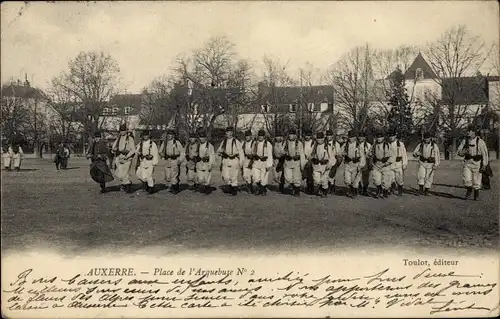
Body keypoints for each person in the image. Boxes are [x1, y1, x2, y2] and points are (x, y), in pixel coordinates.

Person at [457, 125, 489, 200]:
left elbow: (485, 154)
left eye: (469, 131)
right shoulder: (465, 141)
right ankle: (469, 190)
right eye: (467, 131)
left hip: (477, 163)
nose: (467, 132)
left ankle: (476, 194)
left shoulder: (480, 141)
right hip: (467, 163)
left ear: (473, 132)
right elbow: (459, 151)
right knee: (466, 179)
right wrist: (462, 152)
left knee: (476, 180)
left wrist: (484, 164)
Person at [129, 130, 159, 194]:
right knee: (139, 174)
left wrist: (154, 163)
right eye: (144, 135)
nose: (145, 136)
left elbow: (155, 153)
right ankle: (146, 184)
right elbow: (136, 151)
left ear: (149, 136)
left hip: (149, 161)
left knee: (149, 175)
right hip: (142, 161)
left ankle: (150, 189)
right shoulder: (141, 143)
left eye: (146, 135)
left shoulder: (152, 144)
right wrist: (138, 152)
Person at [217, 126, 244, 196]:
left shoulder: (236, 141)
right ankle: (230, 187)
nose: (229, 133)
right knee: (225, 176)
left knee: (233, 176)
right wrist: (220, 151)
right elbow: (219, 151)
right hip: (226, 160)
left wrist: (241, 161)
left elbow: (241, 152)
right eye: (228, 132)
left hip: (234, 159)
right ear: (226, 133)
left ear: (232, 133)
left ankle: (234, 190)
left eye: (231, 132)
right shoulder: (224, 141)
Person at [159, 129, 185, 194]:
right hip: (168, 160)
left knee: (174, 175)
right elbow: (160, 151)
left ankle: (175, 188)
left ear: (173, 136)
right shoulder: (165, 142)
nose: (169, 136)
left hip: (175, 160)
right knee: (167, 176)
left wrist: (180, 160)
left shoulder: (177, 143)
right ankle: (173, 185)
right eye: (168, 134)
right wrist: (163, 155)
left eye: (171, 135)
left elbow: (182, 152)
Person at [310, 131, 335, 197]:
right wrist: (311, 157)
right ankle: (320, 189)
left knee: (324, 180)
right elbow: (311, 155)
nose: (319, 140)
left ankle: (325, 191)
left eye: (321, 138)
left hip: (325, 166)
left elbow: (332, 157)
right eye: (318, 138)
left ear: (323, 138)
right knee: (316, 180)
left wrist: (330, 164)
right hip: (316, 165)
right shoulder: (314, 146)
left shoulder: (327, 146)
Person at [371, 131, 396, 198]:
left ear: (383, 138)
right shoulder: (373, 145)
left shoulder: (387, 145)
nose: (379, 139)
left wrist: (387, 162)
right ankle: (379, 189)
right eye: (377, 137)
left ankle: (385, 191)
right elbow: (369, 154)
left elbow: (393, 156)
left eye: (380, 137)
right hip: (376, 164)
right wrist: (371, 156)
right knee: (376, 179)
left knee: (386, 180)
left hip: (385, 165)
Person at [112, 124, 136, 193]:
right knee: (119, 174)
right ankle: (126, 184)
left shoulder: (129, 138)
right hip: (119, 157)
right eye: (121, 130)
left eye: (124, 130)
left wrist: (127, 156)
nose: (122, 132)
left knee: (125, 173)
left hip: (127, 158)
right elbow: (114, 147)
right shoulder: (118, 138)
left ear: (126, 131)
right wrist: (114, 149)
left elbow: (133, 150)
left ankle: (128, 187)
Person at [343, 130, 366, 198]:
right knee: (347, 180)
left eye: (352, 137)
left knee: (354, 180)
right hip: (348, 163)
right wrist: (343, 154)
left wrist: (361, 165)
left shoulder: (358, 145)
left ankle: (354, 191)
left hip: (355, 164)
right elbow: (340, 152)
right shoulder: (346, 144)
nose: (350, 138)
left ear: (355, 137)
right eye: (349, 137)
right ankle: (350, 189)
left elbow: (362, 156)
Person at [283, 128, 306, 196]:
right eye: (290, 134)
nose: (291, 136)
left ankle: (297, 190)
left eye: (292, 134)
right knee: (288, 177)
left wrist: (302, 165)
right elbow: (282, 151)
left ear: (295, 135)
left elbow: (302, 154)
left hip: (296, 162)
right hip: (288, 162)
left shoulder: (299, 143)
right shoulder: (286, 142)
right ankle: (292, 186)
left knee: (296, 177)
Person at [251, 129, 273, 195]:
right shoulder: (255, 143)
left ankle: (262, 190)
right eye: (259, 135)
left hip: (264, 162)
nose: (260, 137)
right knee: (255, 177)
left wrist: (269, 164)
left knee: (263, 178)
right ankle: (262, 189)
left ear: (264, 136)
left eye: (262, 136)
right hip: (256, 162)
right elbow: (252, 152)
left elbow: (270, 155)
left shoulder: (267, 144)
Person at [389, 131, 408, 196]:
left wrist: (404, 163)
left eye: (392, 136)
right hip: (390, 164)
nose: (391, 138)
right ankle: (392, 187)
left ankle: (400, 190)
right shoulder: (388, 144)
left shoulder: (400, 144)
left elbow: (404, 154)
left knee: (399, 178)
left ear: (395, 136)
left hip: (398, 163)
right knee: (391, 178)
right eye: (390, 136)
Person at [326, 130, 343, 194]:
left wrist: (336, 160)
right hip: (326, 161)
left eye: (330, 135)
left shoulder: (336, 144)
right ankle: (327, 187)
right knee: (326, 175)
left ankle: (332, 187)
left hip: (333, 161)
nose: (328, 137)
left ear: (332, 136)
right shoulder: (324, 143)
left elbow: (338, 153)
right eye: (327, 135)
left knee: (331, 175)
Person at [358, 131, 372, 196]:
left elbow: (370, 155)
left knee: (365, 177)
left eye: (362, 137)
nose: (361, 138)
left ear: (365, 138)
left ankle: (365, 190)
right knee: (356, 176)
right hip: (357, 162)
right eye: (360, 136)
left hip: (365, 162)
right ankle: (359, 187)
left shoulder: (368, 145)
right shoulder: (356, 144)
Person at [302, 129, 315, 194]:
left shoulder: (313, 142)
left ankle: (310, 186)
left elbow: (314, 152)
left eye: (308, 135)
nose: (307, 137)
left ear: (311, 136)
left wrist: (311, 157)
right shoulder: (302, 142)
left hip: (311, 159)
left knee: (309, 170)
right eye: (306, 135)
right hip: (304, 158)